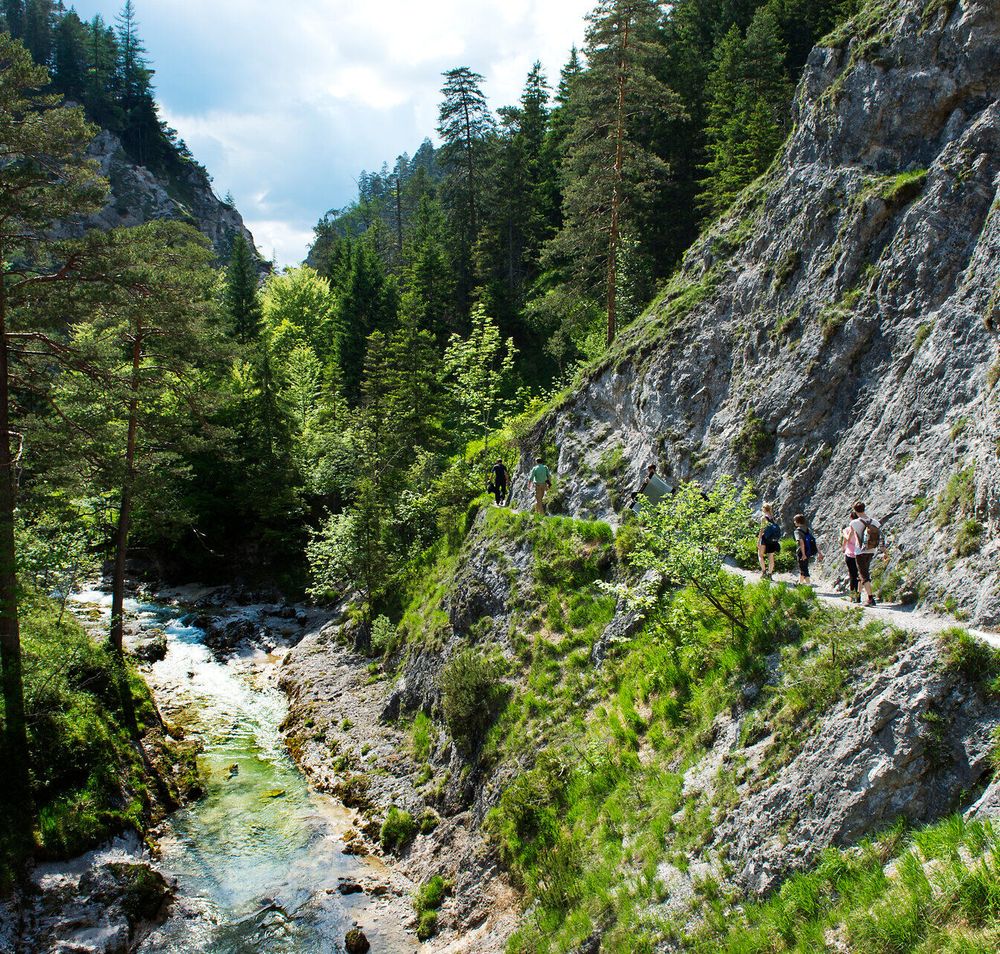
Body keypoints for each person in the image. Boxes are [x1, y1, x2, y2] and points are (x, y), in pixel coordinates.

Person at [850, 501, 881, 607]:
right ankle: (857, 596)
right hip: (872, 550)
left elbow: (854, 535)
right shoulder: (875, 522)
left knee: (864, 575)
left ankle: (870, 598)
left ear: (855, 510)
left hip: (860, 551)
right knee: (862, 572)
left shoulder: (854, 523)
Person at [793, 513, 823, 585]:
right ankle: (800, 583)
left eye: (795, 521)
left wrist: (803, 554)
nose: (794, 522)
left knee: (804, 568)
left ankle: (808, 585)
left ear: (797, 521)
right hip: (809, 550)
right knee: (804, 566)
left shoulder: (797, 531)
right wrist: (819, 552)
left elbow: (801, 542)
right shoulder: (807, 529)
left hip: (802, 551)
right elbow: (813, 541)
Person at [757, 503, 781, 579]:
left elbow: (762, 529)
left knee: (760, 555)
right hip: (773, 540)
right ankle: (770, 574)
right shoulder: (773, 517)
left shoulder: (763, 518)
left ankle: (764, 572)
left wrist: (759, 540)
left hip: (765, 539)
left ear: (764, 509)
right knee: (771, 557)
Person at [841, 509, 860, 603]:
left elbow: (846, 541)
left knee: (852, 575)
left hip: (850, 554)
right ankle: (859, 596)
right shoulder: (861, 528)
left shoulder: (847, 529)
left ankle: (853, 596)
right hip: (860, 554)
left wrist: (843, 548)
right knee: (859, 575)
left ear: (851, 518)